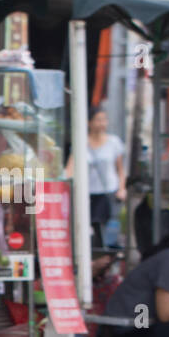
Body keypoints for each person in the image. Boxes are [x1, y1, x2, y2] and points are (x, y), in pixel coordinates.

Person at [64, 106, 126, 248]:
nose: (102, 123)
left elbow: (121, 169)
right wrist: (65, 180)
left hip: (107, 192)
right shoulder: (81, 142)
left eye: (104, 120)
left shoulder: (114, 142)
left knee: (104, 230)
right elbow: (71, 166)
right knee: (86, 227)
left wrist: (122, 189)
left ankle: (103, 256)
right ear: (89, 122)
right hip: (87, 192)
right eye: (98, 120)